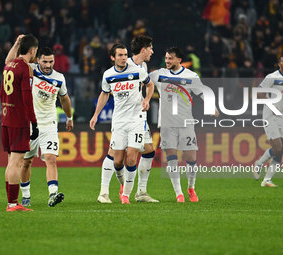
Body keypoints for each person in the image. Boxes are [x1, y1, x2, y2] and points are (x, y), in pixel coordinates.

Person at [5, 37, 74, 207]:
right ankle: (26, 196)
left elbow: (64, 99)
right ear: (38, 60)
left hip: (49, 124)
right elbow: (9, 62)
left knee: (51, 158)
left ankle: (53, 194)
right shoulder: (30, 69)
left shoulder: (59, 78)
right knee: (26, 162)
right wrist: (16, 44)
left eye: (51, 61)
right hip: (29, 124)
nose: (48, 65)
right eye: (45, 61)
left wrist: (69, 117)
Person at [149, 47, 218, 202]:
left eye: (170, 58)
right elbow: (143, 80)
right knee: (171, 157)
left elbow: (202, 92)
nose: (167, 61)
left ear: (179, 60)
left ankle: (191, 188)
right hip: (166, 123)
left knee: (191, 157)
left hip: (186, 122)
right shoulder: (159, 74)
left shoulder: (191, 76)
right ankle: (178, 193)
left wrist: (211, 106)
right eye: (166, 58)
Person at [90, 43, 154, 204]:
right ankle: (112, 190)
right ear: (113, 57)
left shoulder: (137, 71)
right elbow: (104, 95)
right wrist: (95, 115)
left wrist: (146, 100)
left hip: (136, 120)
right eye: (120, 55)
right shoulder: (108, 75)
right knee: (117, 160)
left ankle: (125, 196)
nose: (124, 58)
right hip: (118, 121)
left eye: (125, 55)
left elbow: (150, 84)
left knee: (131, 157)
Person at [0, 34, 39, 212]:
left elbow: (8, 59)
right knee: (17, 161)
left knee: (10, 161)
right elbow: (27, 99)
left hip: (6, 118)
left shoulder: (10, 65)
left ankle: (11, 202)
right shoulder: (25, 68)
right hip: (18, 120)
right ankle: (12, 204)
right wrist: (34, 122)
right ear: (32, 50)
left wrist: (16, 43)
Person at [253, 53, 283, 187]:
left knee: (281, 150)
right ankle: (259, 163)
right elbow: (259, 92)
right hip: (270, 115)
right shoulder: (271, 77)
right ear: (279, 64)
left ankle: (267, 180)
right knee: (277, 147)